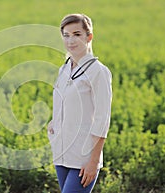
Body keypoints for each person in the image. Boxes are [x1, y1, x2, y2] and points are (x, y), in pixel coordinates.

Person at [47, 13, 112, 193]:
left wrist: (93, 161)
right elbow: (64, 103)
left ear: (89, 37)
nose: (70, 41)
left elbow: (102, 119)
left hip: (83, 158)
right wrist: (54, 123)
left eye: (77, 34)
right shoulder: (64, 68)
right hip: (61, 153)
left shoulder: (99, 72)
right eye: (66, 35)